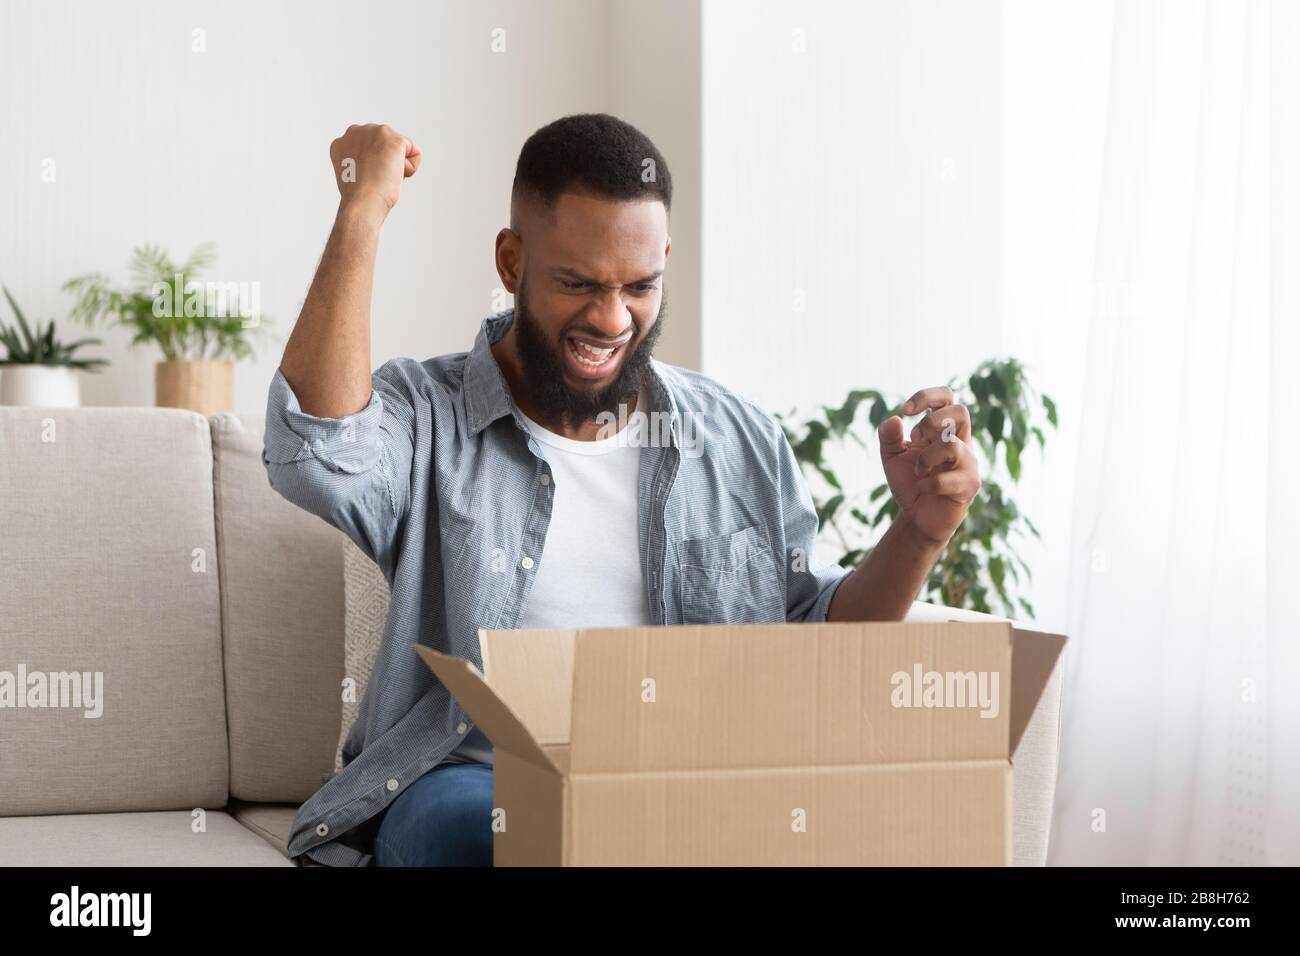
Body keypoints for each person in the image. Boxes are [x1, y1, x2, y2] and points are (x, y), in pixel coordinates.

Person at [263, 113, 981, 866]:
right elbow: (316, 455)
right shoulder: (428, 414)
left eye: (639, 286)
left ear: (665, 259)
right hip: (475, 785)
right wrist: (363, 208)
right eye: (577, 283)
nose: (611, 319)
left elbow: (815, 645)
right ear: (511, 262)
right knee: (491, 831)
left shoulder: (733, 435)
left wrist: (923, 530)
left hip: (685, 791)